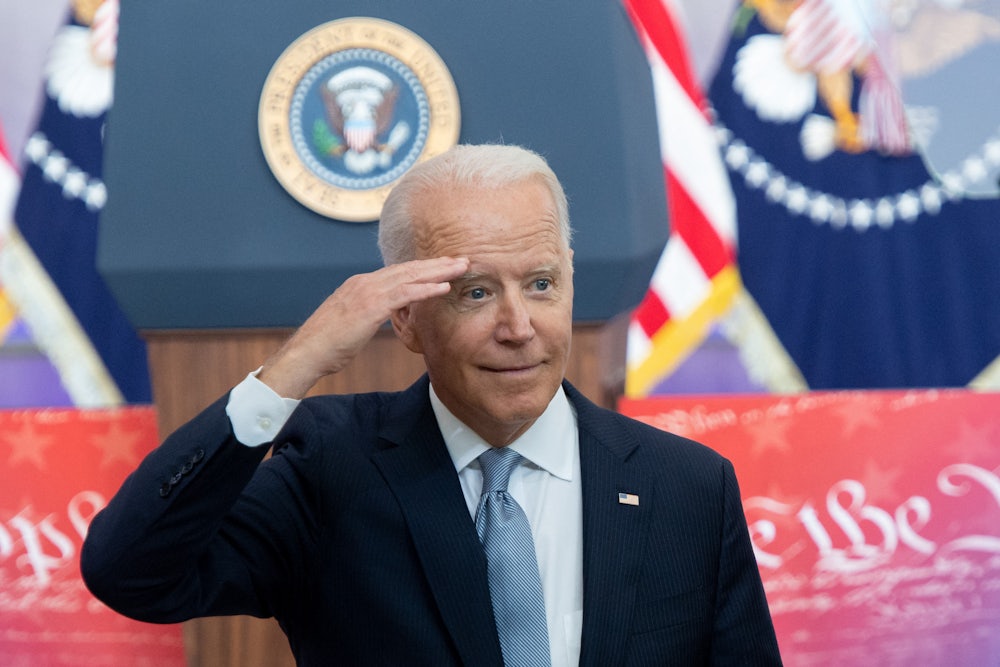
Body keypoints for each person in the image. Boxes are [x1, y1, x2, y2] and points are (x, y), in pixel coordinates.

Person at [81, 144, 781, 666]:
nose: (518, 326)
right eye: (475, 292)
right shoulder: (333, 467)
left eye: (540, 283)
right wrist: (291, 370)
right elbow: (131, 571)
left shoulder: (688, 486)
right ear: (407, 319)